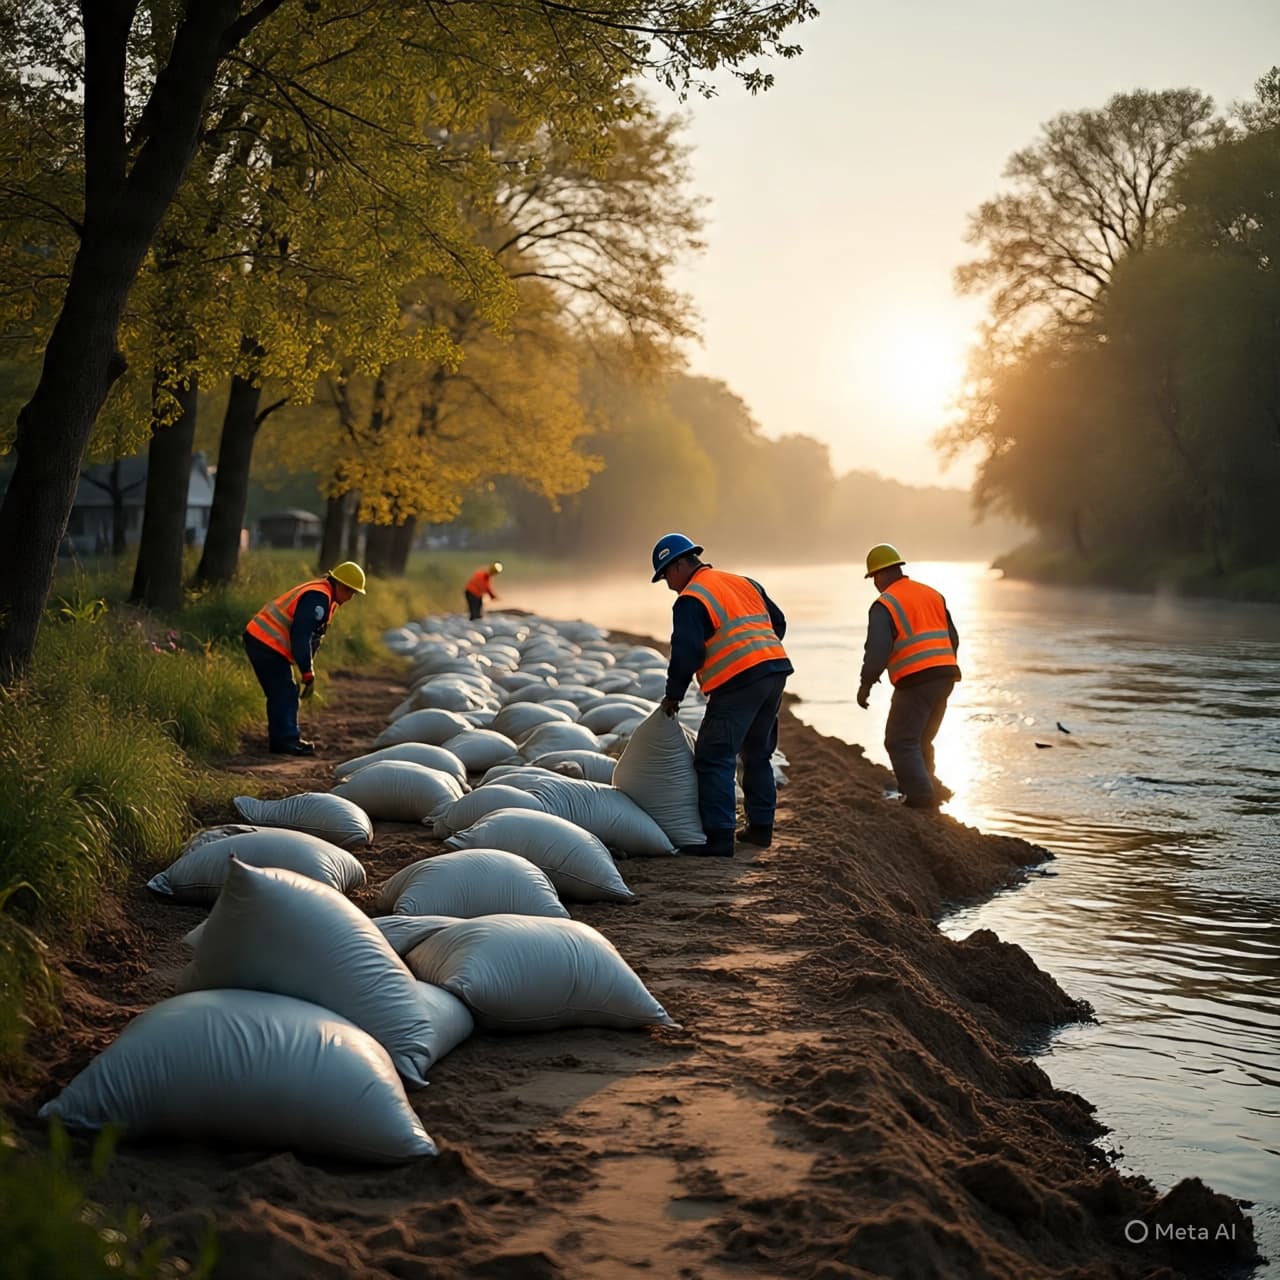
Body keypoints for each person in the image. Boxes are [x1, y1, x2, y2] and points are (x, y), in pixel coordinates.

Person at [652, 533, 793, 858]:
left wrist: (673, 695)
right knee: (758, 753)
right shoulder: (743, 582)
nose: (670, 586)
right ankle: (760, 830)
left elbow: (686, 651)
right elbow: (779, 622)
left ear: (677, 567)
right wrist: (759, 650)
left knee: (714, 755)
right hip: (774, 671)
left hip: (739, 680)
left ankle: (718, 839)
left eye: (665, 578)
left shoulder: (691, 598)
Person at [856, 544, 961, 809]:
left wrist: (865, 685)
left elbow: (877, 650)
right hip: (946, 675)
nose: (875, 585)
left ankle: (921, 800)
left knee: (900, 741)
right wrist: (943, 666)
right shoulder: (932, 594)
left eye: (873, 579)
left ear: (879, 575)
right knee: (922, 738)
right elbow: (953, 638)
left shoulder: (884, 604)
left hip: (916, 680)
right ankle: (931, 793)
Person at [242, 561, 366, 755]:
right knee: (284, 691)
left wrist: (307, 667)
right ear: (340, 585)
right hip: (265, 642)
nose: (350, 598)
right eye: (350, 592)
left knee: (285, 691)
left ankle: (285, 739)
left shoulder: (325, 596)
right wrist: (307, 672)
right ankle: (285, 742)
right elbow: (301, 636)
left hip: (264, 641)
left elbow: (313, 638)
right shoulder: (317, 598)